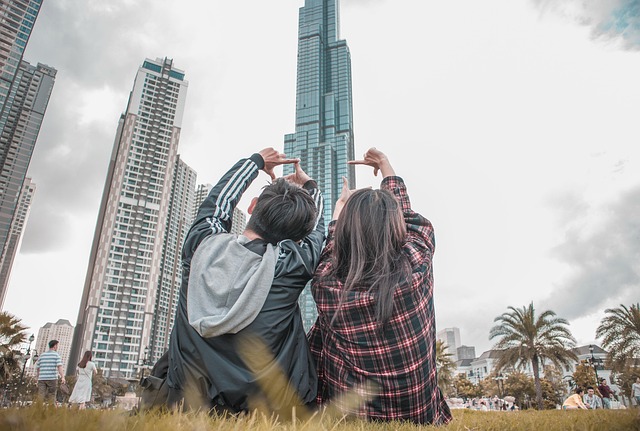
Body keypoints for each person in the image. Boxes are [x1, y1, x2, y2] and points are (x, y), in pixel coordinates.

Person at [165, 148, 325, 414]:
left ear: (252, 206)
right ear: (298, 237)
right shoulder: (293, 265)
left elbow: (217, 203)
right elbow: (317, 229)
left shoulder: (201, 246)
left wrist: (256, 162)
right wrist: (311, 187)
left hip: (188, 405)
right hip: (270, 410)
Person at [308, 148, 452, 425]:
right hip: (420, 417)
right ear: (396, 227)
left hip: (354, 419)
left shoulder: (326, 284)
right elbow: (410, 218)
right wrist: (385, 166)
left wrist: (340, 210)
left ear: (345, 233)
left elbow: (330, 247)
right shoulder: (418, 262)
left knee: (321, 334)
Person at [35, 339, 65, 405]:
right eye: (57, 345)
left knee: (40, 395)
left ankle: (38, 408)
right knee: (52, 395)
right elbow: (59, 367)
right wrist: (62, 377)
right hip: (52, 378)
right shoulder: (56, 355)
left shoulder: (42, 355)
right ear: (55, 346)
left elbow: (38, 368)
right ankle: (51, 409)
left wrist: (37, 378)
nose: (57, 347)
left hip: (42, 378)